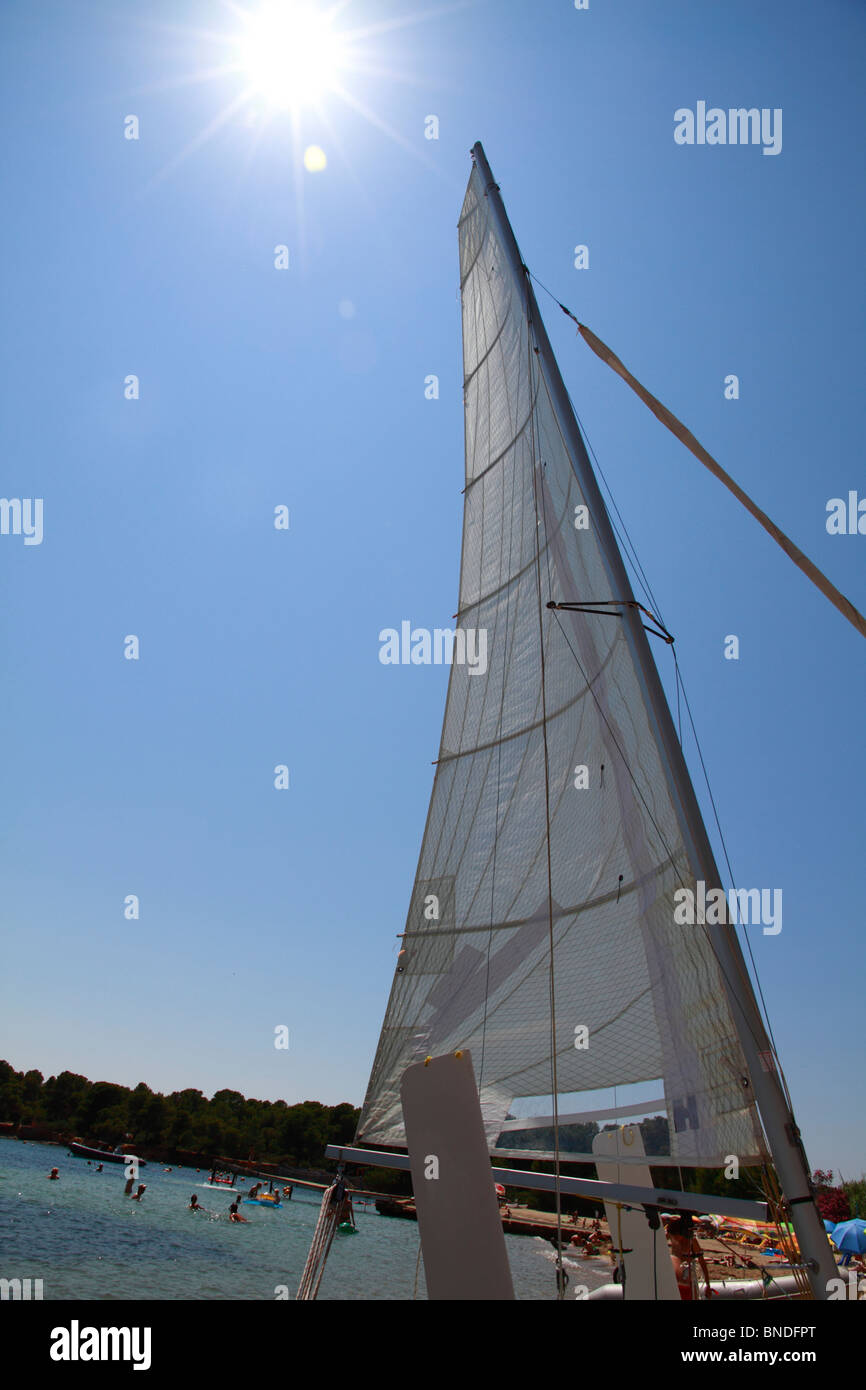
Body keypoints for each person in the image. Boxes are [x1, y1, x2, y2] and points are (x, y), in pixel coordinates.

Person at [665, 1214, 712, 1300]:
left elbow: (702, 1262)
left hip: (688, 1275)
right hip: (676, 1272)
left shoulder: (692, 1241)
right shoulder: (672, 1235)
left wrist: (708, 1285)